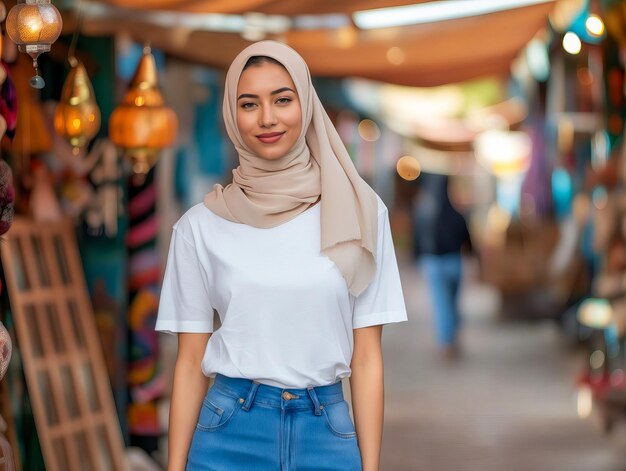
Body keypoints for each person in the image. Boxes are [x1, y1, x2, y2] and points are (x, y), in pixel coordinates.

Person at [155, 40, 407, 471]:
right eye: (248, 103)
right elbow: (190, 362)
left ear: (306, 105)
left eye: (283, 99)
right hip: (228, 432)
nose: (267, 118)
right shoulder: (200, 226)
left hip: (325, 431)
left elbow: (367, 358)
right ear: (232, 117)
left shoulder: (362, 214)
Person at [412, 172, 471, 361]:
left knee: (441, 305)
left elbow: (417, 241)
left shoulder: (424, 213)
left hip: (434, 263)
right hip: (454, 262)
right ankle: (451, 338)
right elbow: (468, 240)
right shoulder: (457, 213)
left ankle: (446, 343)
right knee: (452, 304)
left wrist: (418, 259)